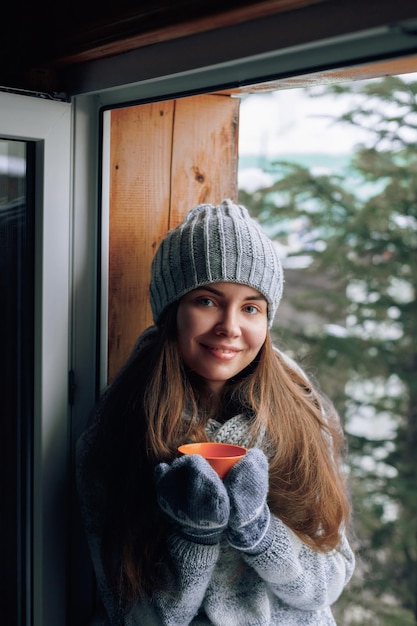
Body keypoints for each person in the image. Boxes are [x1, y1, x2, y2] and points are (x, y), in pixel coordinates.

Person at [77, 199, 355, 626]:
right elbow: (132, 614)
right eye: (207, 301)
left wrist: (259, 531)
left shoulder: (302, 415)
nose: (230, 325)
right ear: (172, 311)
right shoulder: (118, 429)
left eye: (251, 308)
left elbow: (327, 585)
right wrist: (195, 534)